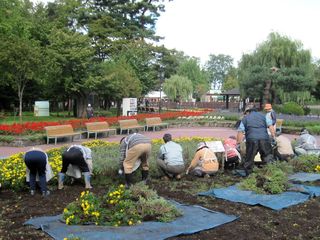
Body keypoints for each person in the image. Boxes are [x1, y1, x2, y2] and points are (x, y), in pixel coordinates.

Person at [236, 104, 276, 176]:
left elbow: (240, 131)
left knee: (249, 159)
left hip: (252, 139)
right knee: (267, 157)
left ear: (248, 112)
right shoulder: (264, 116)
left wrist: (238, 143)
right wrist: (273, 136)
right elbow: (271, 126)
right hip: (264, 139)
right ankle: (270, 174)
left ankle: (249, 176)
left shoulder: (245, 118)